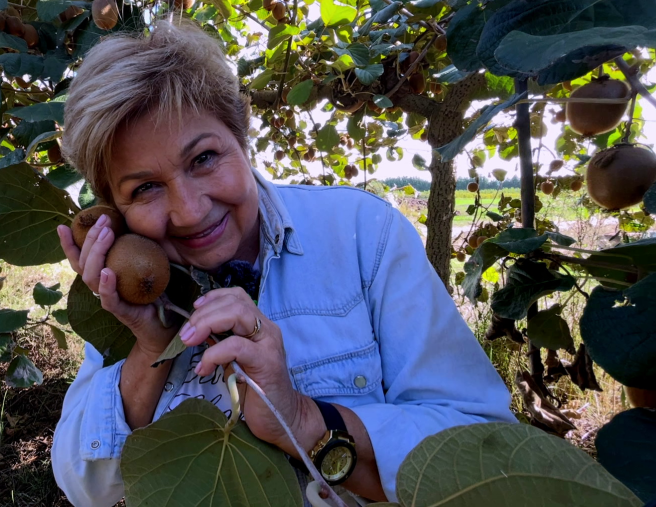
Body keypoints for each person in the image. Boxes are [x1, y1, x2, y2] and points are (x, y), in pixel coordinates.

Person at [50, 19, 515, 507]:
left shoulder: (361, 232)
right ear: (114, 209)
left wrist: (305, 421)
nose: (189, 211)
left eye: (204, 158)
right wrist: (149, 344)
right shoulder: (132, 283)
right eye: (144, 188)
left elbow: (482, 453)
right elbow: (86, 487)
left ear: (242, 138)